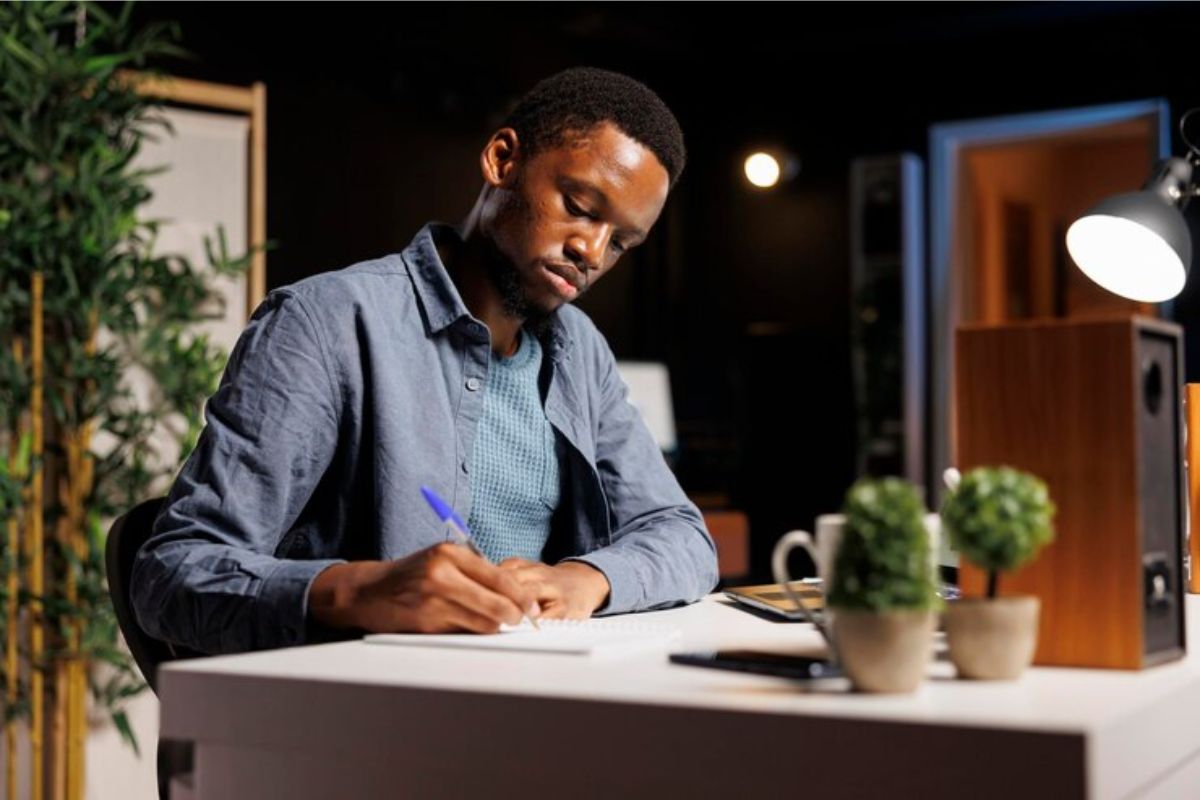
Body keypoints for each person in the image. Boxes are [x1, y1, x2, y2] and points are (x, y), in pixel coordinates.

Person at [131, 66, 718, 655]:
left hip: (533, 703)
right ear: (502, 158)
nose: (590, 252)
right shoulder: (326, 322)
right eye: (580, 206)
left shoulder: (579, 351)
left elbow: (684, 538)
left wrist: (586, 579)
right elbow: (173, 573)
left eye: (620, 243)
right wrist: (358, 592)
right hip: (367, 721)